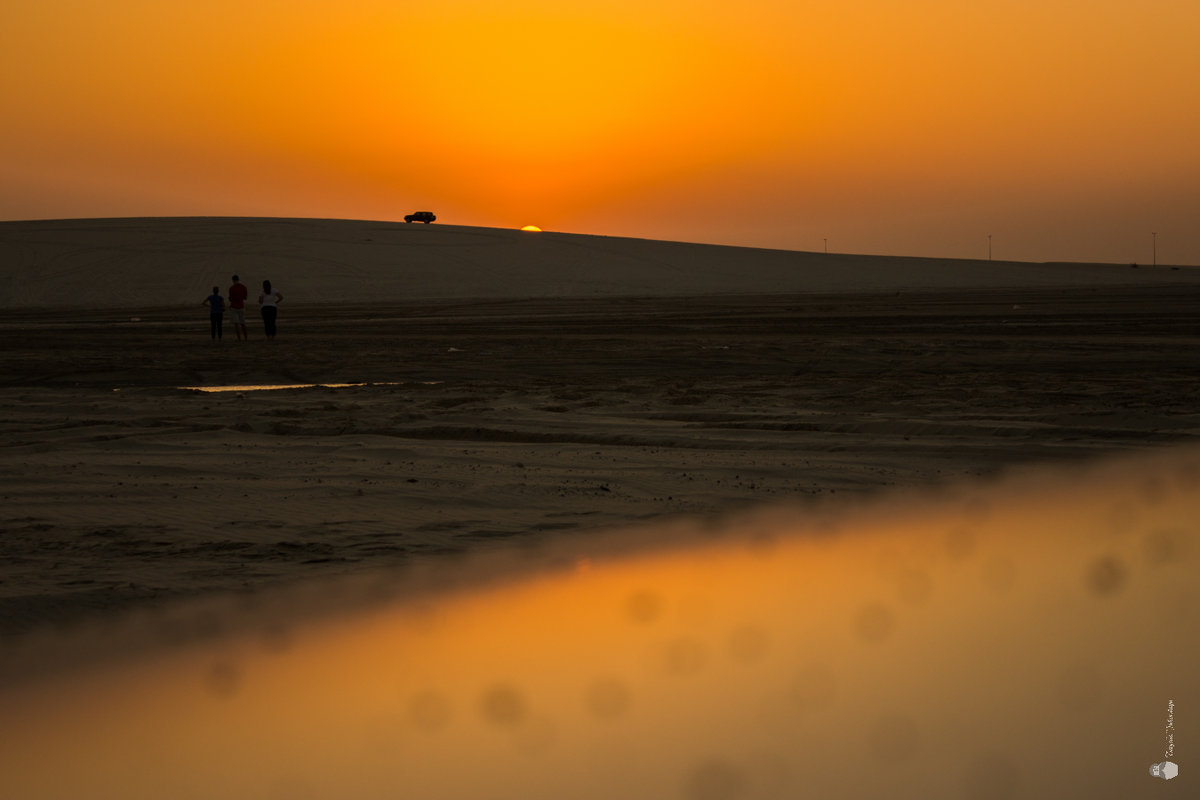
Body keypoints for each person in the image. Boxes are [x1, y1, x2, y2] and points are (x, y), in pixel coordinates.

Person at [228, 275, 249, 341]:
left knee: (236, 324)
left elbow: (231, 298)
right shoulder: (243, 287)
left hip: (234, 306)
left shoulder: (231, 288)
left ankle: (239, 338)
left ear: (233, 280)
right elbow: (245, 297)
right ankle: (245, 338)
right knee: (242, 323)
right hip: (241, 306)